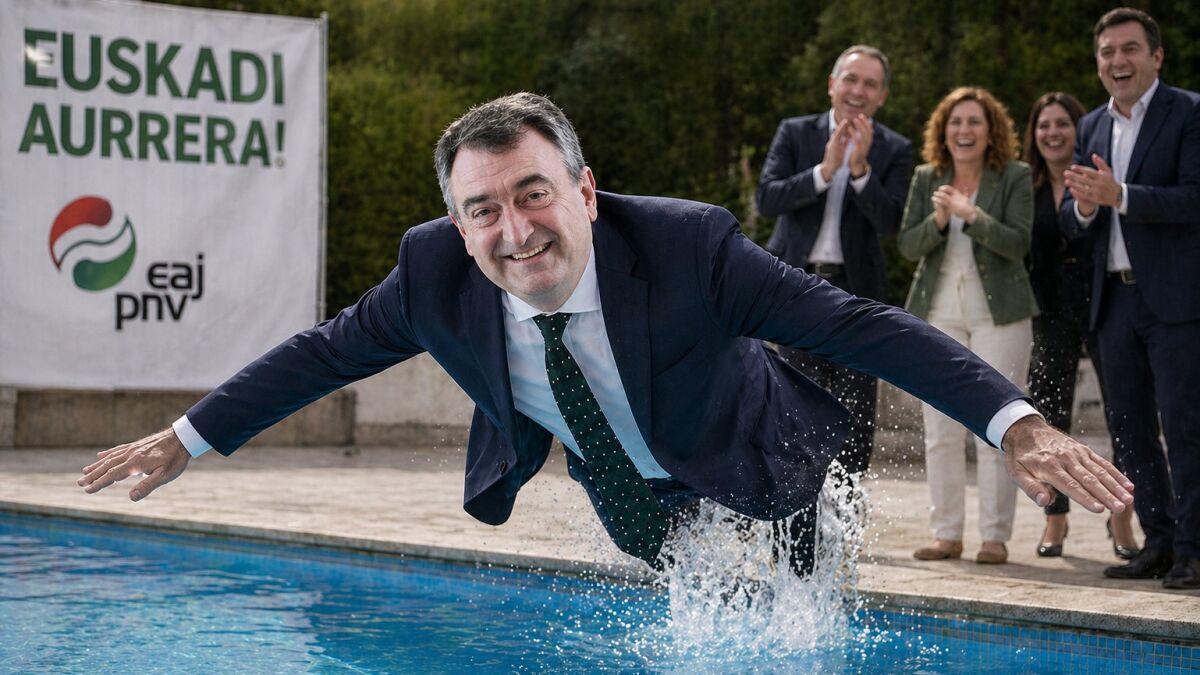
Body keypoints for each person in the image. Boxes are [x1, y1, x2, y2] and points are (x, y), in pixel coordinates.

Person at [78, 93, 1132, 579]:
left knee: (804, 603)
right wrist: (189, 436)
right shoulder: (432, 273)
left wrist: (1017, 424)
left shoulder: (688, 249)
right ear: (458, 225)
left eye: (534, 194)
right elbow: (320, 354)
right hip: (631, 486)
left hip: (756, 446)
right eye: (483, 210)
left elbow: (861, 326)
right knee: (685, 598)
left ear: (584, 190)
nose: (514, 230)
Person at [1061, 8, 1200, 589]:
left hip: (1175, 302)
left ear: (1156, 57)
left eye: (1130, 49)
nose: (1117, 61)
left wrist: (1120, 195)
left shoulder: (1189, 112)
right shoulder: (1091, 126)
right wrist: (1084, 207)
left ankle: (1195, 549)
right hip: (1112, 304)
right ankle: (1158, 542)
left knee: (1186, 426)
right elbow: (1072, 217)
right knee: (1131, 430)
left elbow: (1192, 198)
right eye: (1107, 52)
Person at [756, 45, 913, 477]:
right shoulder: (795, 132)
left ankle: (848, 514)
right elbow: (767, 198)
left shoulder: (896, 148)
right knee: (794, 408)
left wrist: (860, 171)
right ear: (832, 84)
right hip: (794, 287)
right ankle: (795, 507)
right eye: (851, 79)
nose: (858, 91)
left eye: (870, 84)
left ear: (882, 96)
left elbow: (892, 222)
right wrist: (824, 172)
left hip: (857, 294)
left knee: (856, 415)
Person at [898, 87, 1037, 565]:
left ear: (991, 130)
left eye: (975, 121)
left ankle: (994, 536)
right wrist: (938, 221)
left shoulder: (1015, 175)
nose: (964, 130)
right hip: (938, 313)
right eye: (955, 122)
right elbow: (908, 246)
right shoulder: (926, 177)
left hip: (1001, 316)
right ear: (943, 131)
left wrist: (971, 215)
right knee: (940, 429)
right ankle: (946, 534)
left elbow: (1017, 243)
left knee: (998, 425)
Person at [1022, 92, 1140, 561]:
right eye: (1043, 125)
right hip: (1048, 313)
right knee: (1048, 416)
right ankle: (1056, 518)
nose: (1052, 133)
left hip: (1104, 305)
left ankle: (1122, 515)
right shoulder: (1024, 185)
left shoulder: (1097, 175)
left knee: (1124, 415)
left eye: (1062, 124)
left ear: (1079, 130)